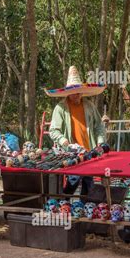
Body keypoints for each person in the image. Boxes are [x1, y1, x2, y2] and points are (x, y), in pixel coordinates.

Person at [45, 66, 107, 195]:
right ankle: (63, 205)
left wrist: (100, 142)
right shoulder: (60, 108)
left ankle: (84, 209)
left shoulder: (89, 106)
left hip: (89, 152)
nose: (76, 94)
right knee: (72, 182)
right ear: (68, 92)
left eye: (78, 91)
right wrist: (65, 142)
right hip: (71, 154)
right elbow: (54, 130)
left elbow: (99, 126)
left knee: (89, 185)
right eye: (73, 92)